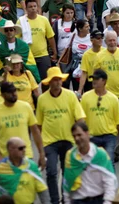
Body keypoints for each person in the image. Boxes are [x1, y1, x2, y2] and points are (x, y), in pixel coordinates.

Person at [36, 66, 86, 204]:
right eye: (54, 80)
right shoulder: (42, 99)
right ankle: (54, 200)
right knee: (51, 172)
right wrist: (40, 147)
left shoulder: (70, 96)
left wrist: (81, 139)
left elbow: (80, 118)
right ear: (49, 83)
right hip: (49, 141)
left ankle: (66, 199)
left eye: (59, 79)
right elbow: (38, 124)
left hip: (69, 140)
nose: (57, 82)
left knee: (67, 172)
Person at [62, 121, 118, 204]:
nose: (77, 138)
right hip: (78, 200)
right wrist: (67, 201)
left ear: (87, 134)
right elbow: (67, 180)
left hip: (98, 200)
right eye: (74, 136)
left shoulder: (100, 155)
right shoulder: (71, 156)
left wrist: (108, 201)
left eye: (79, 135)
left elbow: (109, 180)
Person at [80, 69, 119, 163]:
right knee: (93, 165)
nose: (94, 81)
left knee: (109, 163)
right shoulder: (85, 97)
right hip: (92, 136)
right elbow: (81, 119)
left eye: (97, 79)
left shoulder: (113, 99)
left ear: (104, 81)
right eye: (93, 79)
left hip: (109, 136)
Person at [0, 137, 49, 204]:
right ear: (10, 150)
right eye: (20, 148)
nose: (24, 150)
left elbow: (42, 190)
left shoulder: (31, 166)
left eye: (24, 147)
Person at [18, 0, 56, 79]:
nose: (33, 8)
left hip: (43, 55)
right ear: (26, 8)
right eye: (30, 6)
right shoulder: (21, 21)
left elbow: (50, 37)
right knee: (30, 81)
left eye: (35, 6)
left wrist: (54, 52)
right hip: (28, 57)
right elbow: (16, 39)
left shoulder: (44, 20)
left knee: (45, 81)